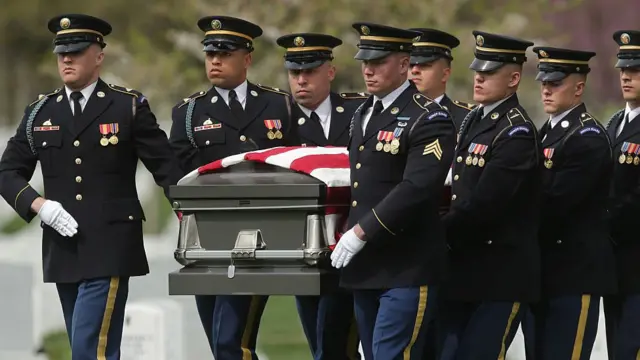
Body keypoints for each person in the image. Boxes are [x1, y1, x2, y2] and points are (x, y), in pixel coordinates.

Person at [0, 14, 182, 360]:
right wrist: (41, 206)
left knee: (87, 349)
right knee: (95, 348)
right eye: (61, 53)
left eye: (77, 51)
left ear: (99, 55)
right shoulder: (41, 112)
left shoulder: (127, 106)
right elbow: (7, 172)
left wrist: (193, 212)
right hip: (63, 246)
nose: (66, 59)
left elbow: (167, 168)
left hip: (110, 244)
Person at [168, 15, 298, 359]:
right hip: (206, 241)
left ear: (247, 58)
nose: (215, 60)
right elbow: (175, 174)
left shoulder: (278, 105)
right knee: (219, 341)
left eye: (225, 54)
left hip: (258, 238)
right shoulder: (189, 112)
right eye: (210, 54)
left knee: (231, 340)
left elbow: (297, 161)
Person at [330, 22, 456, 360]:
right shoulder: (363, 114)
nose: (368, 70)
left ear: (403, 64)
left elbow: (417, 187)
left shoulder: (429, 118)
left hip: (407, 265)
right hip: (367, 267)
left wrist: (361, 231)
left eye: (378, 62)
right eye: (365, 62)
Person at [438, 31, 540, 360]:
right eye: (477, 71)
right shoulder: (475, 119)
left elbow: (486, 203)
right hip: (465, 268)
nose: (478, 78)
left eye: (489, 72)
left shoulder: (516, 131)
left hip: (500, 274)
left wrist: (434, 231)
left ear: (513, 78)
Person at [522, 46, 615, 360]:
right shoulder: (546, 132)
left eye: (556, 83)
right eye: (544, 82)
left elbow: (556, 202)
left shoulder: (586, 136)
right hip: (543, 272)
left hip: (573, 274)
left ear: (578, 87)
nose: (546, 89)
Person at [275, 32, 363, 360]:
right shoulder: (279, 120)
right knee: (321, 343)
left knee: (340, 341)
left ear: (330, 71)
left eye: (309, 72)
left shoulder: (358, 112)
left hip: (354, 239)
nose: (301, 80)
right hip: (305, 247)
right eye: (294, 73)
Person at [603, 29, 640, 360]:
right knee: (617, 348)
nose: (626, 77)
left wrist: (603, 221)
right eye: (623, 70)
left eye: (636, 71)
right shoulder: (615, 122)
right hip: (614, 260)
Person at [408, 28, 476, 132]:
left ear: (445, 74)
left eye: (424, 65)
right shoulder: (387, 112)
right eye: (410, 65)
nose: (414, 70)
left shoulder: (468, 118)